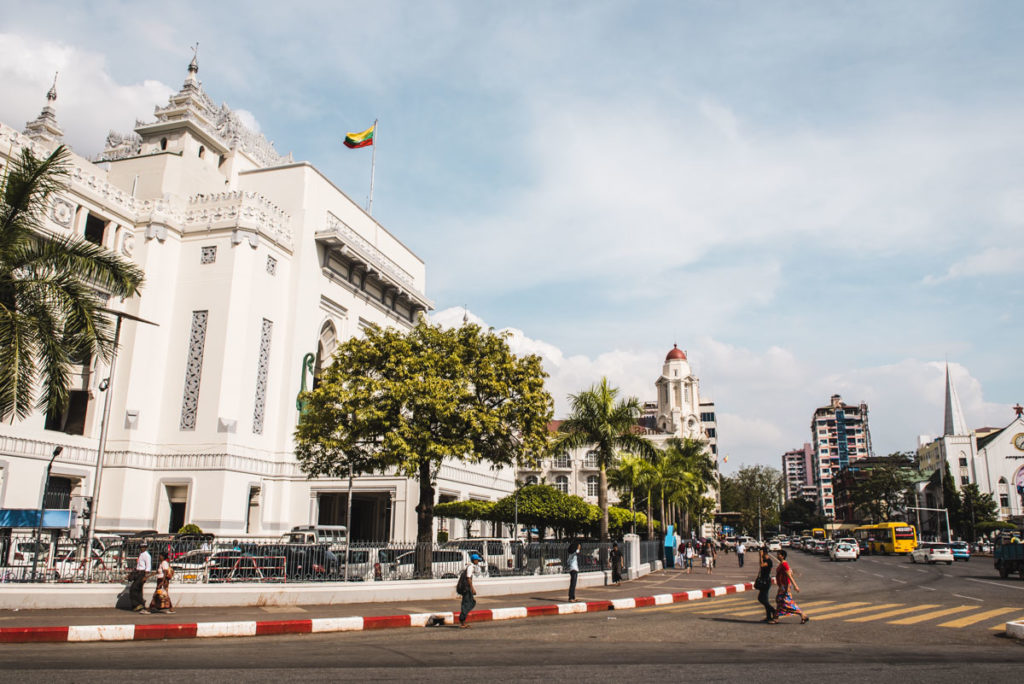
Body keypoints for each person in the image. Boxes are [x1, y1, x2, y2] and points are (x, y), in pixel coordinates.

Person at [773, 549, 808, 624]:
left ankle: (802, 614)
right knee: (779, 601)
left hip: (785, 586)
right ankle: (776, 618)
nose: (777, 555)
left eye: (778, 554)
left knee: (787, 603)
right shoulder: (781, 563)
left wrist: (795, 586)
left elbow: (789, 575)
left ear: (782, 556)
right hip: (782, 586)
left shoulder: (784, 564)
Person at [457, 553, 482, 628]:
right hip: (466, 588)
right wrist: (472, 588)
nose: (478, 561)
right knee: (468, 603)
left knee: (469, 602)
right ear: (474, 560)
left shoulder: (470, 566)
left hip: (466, 588)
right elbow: (468, 578)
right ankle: (462, 621)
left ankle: (463, 621)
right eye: (477, 560)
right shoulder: (470, 567)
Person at [129, 542, 152, 614]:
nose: (142, 548)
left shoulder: (146, 555)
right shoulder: (141, 554)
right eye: (141, 547)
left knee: (134, 588)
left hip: (142, 573)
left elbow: (148, 566)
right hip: (138, 572)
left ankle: (139, 604)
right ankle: (139, 604)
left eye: (143, 547)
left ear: (146, 548)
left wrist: (145, 576)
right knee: (137, 590)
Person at [755, 547, 776, 623]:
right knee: (764, 599)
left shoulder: (769, 561)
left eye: (761, 552)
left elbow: (761, 565)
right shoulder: (765, 560)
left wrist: (760, 556)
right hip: (763, 581)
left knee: (761, 599)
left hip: (766, 582)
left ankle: (773, 611)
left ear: (764, 553)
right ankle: (768, 617)